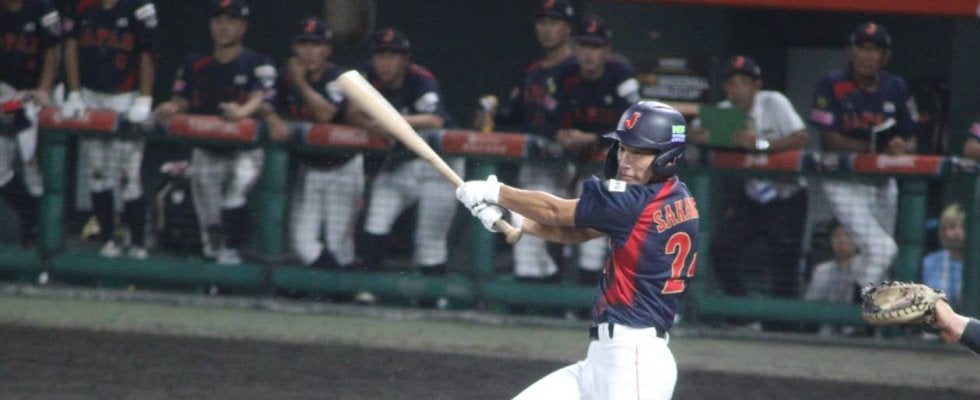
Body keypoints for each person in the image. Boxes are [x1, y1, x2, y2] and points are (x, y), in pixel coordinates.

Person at [456, 101, 697, 399]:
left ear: (668, 157)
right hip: (603, 360)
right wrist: (519, 221)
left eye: (639, 153)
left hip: (634, 361)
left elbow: (555, 211)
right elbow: (581, 231)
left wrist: (494, 192)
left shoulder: (634, 202)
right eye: (623, 149)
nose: (625, 160)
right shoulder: (675, 194)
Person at [153, 0, 277, 265]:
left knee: (235, 194)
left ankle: (233, 256)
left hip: (244, 151)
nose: (224, 27)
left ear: (243, 27)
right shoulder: (196, 63)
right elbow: (182, 99)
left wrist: (242, 112)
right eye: (218, 21)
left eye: (231, 21)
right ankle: (217, 269)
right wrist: (172, 107)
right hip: (207, 150)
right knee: (210, 226)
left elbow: (263, 99)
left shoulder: (258, 62)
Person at [475, 0, 578, 285]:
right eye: (542, 22)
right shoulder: (534, 71)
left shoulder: (576, 68)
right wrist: (492, 113)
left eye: (554, 22)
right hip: (534, 165)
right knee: (530, 242)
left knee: (553, 239)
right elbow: (515, 113)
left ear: (567, 28)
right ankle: (538, 298)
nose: (546, 29)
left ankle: (561, 299)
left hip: (567, 165)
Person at [809, 22, 917, 286]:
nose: (868, 55)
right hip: (843, 181)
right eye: (862, 48)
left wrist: (901, 147)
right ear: (851, 52)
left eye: (875, 50)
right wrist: (873, 147)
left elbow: (911, 138)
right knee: (884, 250)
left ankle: (854, 307)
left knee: (877, 258)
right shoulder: (832, 84)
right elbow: (830, 139)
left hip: (882, 182)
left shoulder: (897, 87)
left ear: (885, 56)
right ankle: (861, 304)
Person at [697, 56, 808, 303]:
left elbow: (801, 137)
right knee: (722, 247)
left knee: (784, 262)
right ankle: (740, 312)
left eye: (743, 82)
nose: (737, 89)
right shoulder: (724, 112)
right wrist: (707, 135)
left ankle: (782, 321)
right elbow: (685, 131)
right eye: (731, 83)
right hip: (751, 195)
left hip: (787, 195)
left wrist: (760, 144)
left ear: (757, 85)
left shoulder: (774, 102)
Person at [355, 28, 460, 286]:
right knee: (376, 220)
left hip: (440, 165)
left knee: (429, 241)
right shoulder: (367, 78)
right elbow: (352, 111)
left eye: (393, 55)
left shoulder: (420, 79)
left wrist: (392, 121)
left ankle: (433, 300)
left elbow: (435, 119)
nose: (385, 62)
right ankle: (368, 291)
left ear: (405, 59)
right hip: (401, 163)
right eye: (380, 55)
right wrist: (370, 124)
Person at [61, 0, 158, 259]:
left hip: (125, 97)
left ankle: (138, 243)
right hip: (91, 95)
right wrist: (74, 92)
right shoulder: (81, 5)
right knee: (98, 172)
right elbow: (70, 46)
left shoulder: (139, 7)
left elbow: (147, 53)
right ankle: (108, 239)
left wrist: (145, 97)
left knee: (128, 175)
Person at [557, 13, 640, 286]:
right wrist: (561, 133)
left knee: (605, 236)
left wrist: (594, 138)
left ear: (607, 50)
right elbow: (551, 118)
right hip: (575, 165)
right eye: (584, 46)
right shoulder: (566, 74)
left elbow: (637, 122)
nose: (589, 54)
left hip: (620, 168)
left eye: (595, 47)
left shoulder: (621, 75)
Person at [274, 17, 362, 270]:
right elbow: (269, 107)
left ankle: (346, 287)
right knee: (302, 243)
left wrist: (300, 83)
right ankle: (339, 284)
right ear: (295, 48)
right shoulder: (284, 78)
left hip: (343, 167)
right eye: (304, 44)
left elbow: (326, 114)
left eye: (316, 45)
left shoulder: (338, 78)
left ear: (327, 50)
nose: (309, 52)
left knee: (339, 245)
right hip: (310, 168)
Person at [0, 0, 61, 246]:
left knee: (34, 168)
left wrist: (44, 89)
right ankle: (31, 219)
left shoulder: (41, 8)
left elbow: (53, 50)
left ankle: (40, 234)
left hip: (38, 93)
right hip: (7, 92)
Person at [804, 220, 859, 336]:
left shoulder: (867, 269)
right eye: (837, 235)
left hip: (857, 334)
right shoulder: (822, 270)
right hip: (825, 334)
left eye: (847, 235)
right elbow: (810, 305)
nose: (842, 240)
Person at [921, 203, 965, 308]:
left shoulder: (974, 264)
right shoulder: (930, 262)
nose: (958, 232)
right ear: (943, 231)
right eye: (952, 227)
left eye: (963, 227)